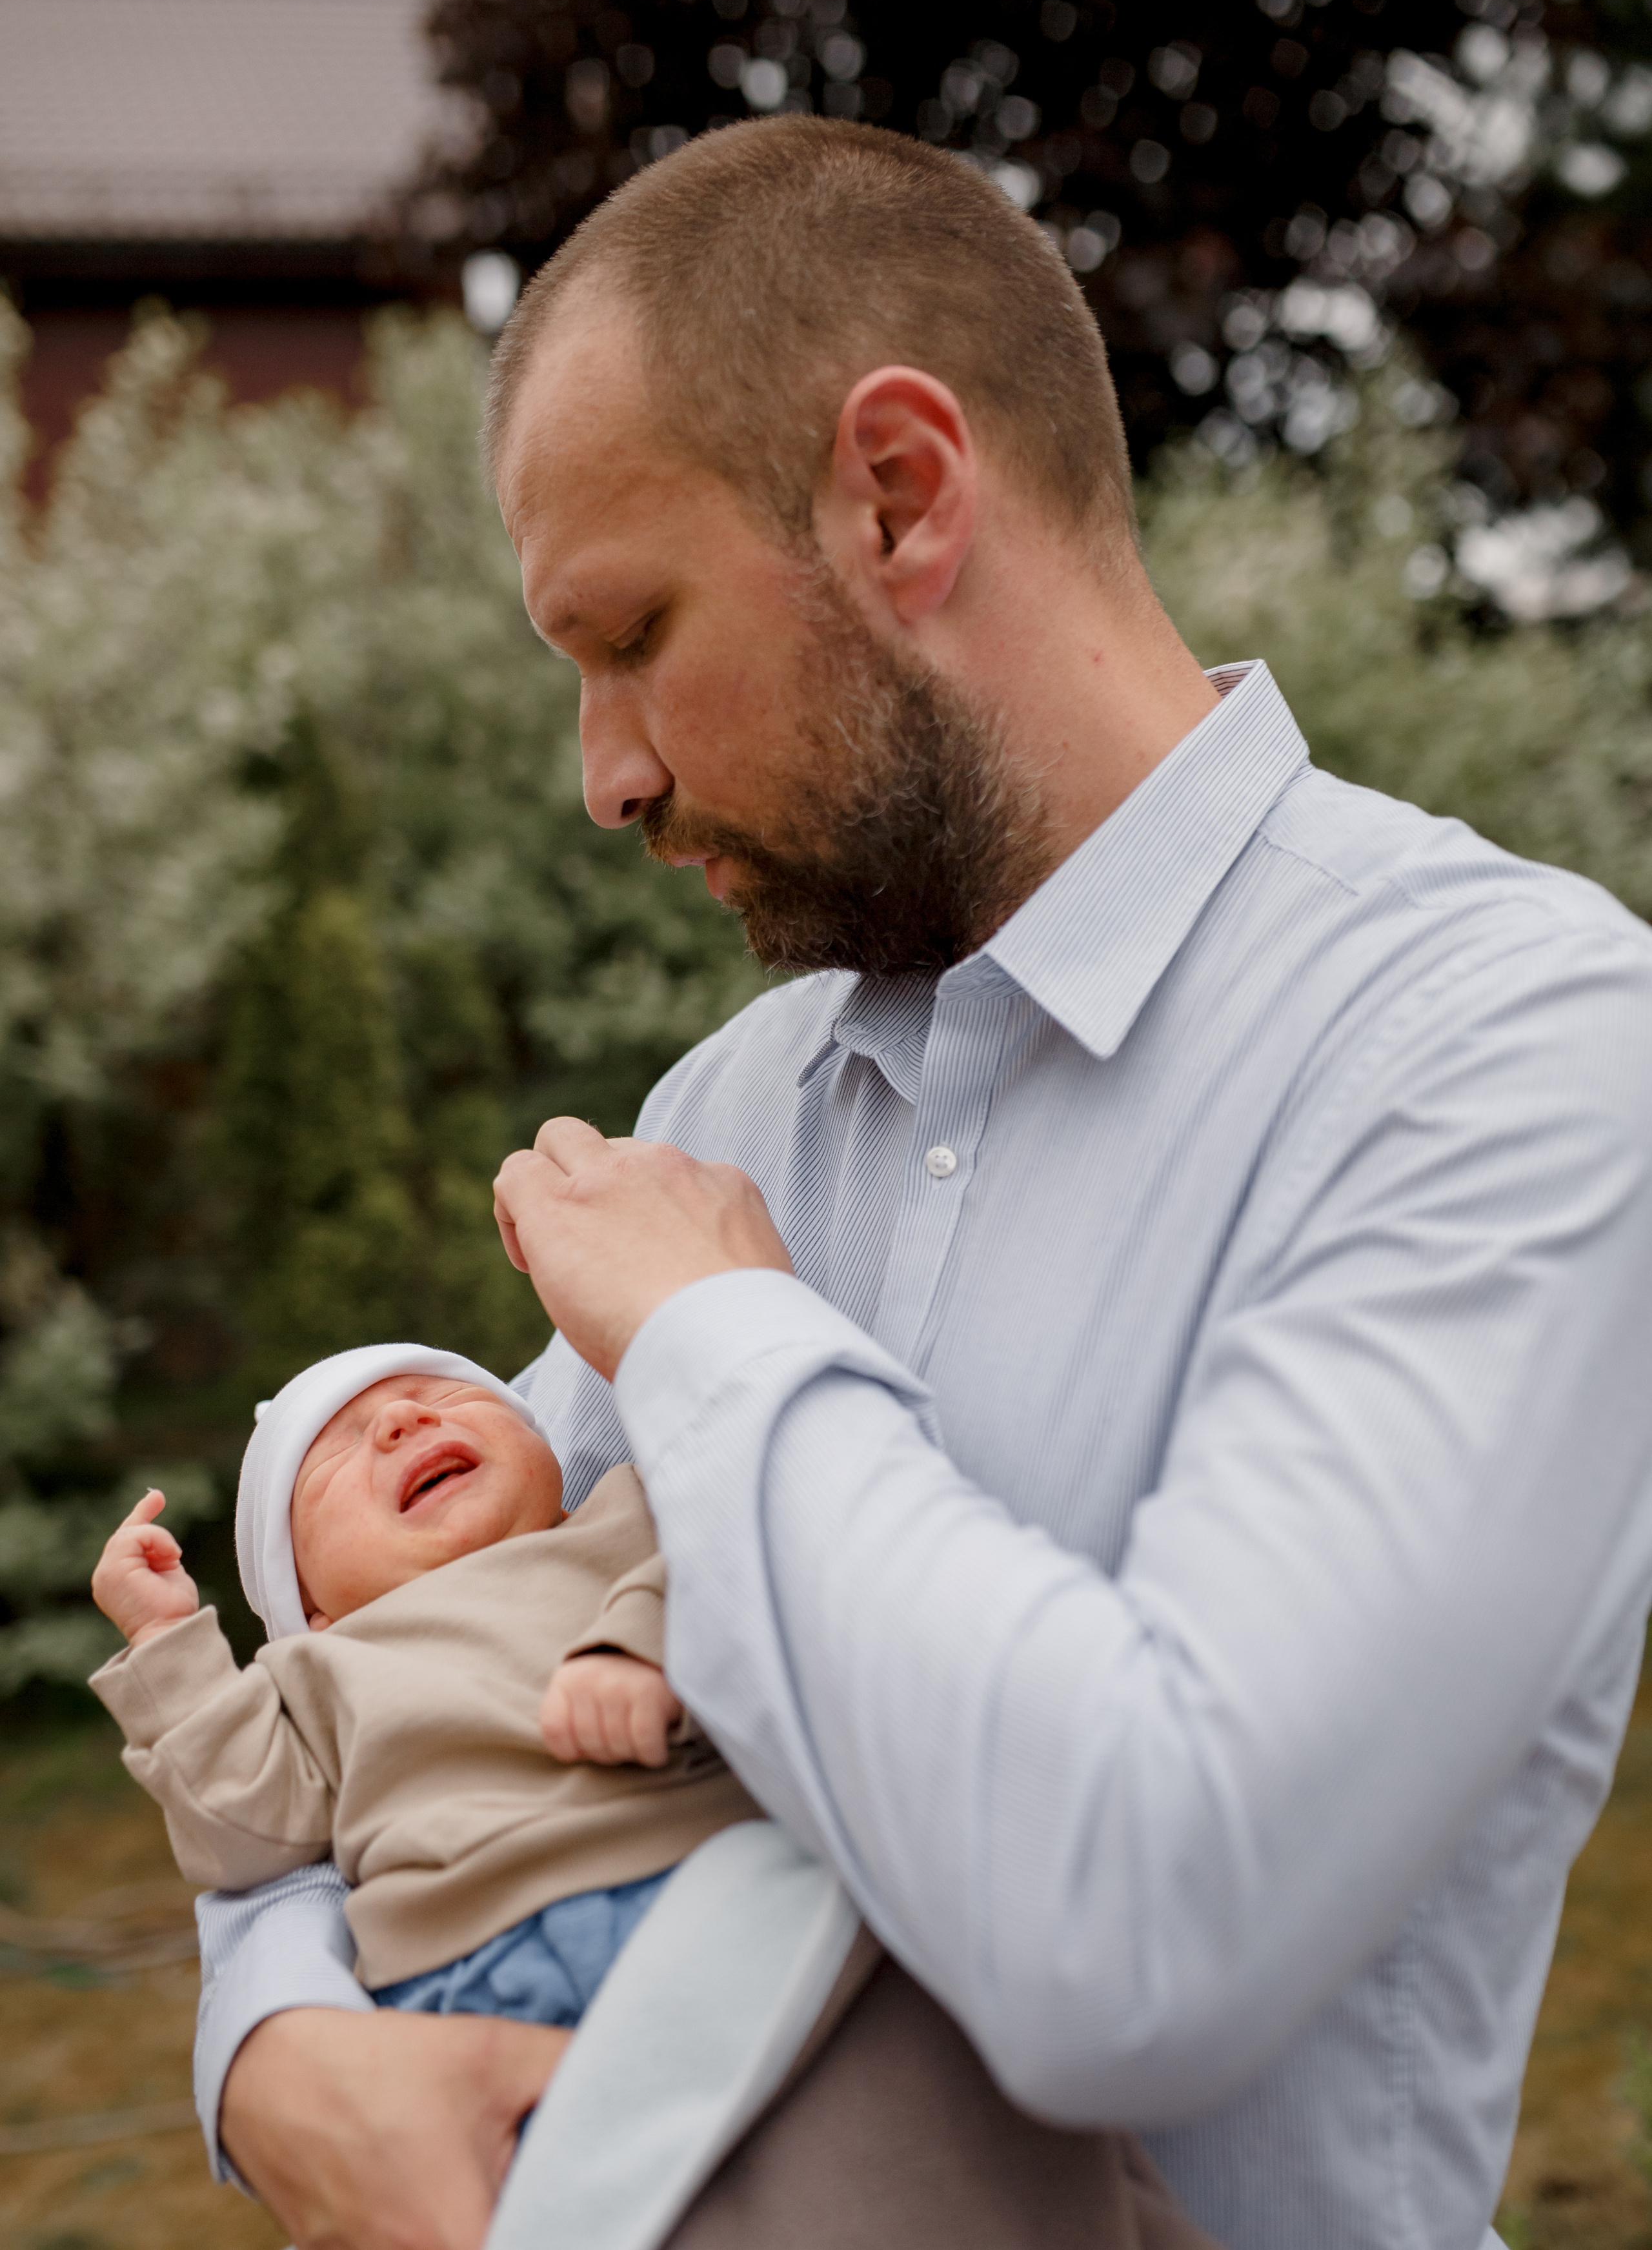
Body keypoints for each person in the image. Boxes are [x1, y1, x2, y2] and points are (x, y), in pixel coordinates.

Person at [199, 117, 1652, 2250]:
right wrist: (266, 2047)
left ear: (900, 494)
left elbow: (1141, 1934)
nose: (602, 773)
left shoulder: (1514, 1045)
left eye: (629, 634)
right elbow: (405, 1685)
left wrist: (720, 1341)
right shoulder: (733, 1102)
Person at [88, 1344, 756, 2016]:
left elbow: (740, 1565)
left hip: (711, 1867)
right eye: (334, 1454)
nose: (401, 1419)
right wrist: (165, 1641)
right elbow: (247, 1833)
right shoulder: (312, 1673)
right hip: (470, 1966)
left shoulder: (632, 1511)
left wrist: (643, 1639)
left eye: (443, 1396)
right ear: (310, 1606)